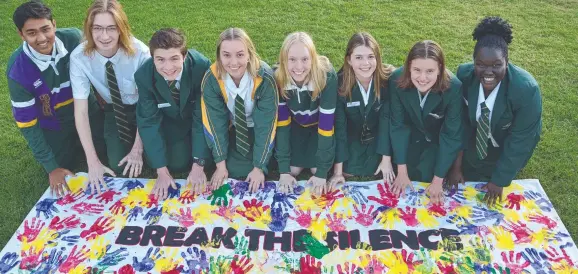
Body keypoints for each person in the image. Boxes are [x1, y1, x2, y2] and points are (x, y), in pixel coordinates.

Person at [7, 1, 103, 197]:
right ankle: (70, 145)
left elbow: (97, 70)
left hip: (86, 110)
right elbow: (27, 124)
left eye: (45, 29)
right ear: (21, 34)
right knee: (61, 165)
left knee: (108, 152)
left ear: (54, 24)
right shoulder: (18, 70)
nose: (41, 38)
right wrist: (51, 167)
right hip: (53, 123)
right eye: (32, 33)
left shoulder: (74, 38)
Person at [447, 16, 542, 205]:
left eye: (497, 65)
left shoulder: (526, 90)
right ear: (473, 62)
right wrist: (456, 167)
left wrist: (500, 180)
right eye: (481, 64)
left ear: (506, 62)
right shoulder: (464, 76)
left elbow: (521, 140)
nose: (488, 72)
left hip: (506, 143)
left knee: (495, 175)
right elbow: (460, 124)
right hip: (477, 143)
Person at [70, 0, 150, 193]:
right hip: (114, 110)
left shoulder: (140, 53)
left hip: (144, 109)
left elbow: (148, 102)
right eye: (97, 28)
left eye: (111, 28)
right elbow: (80, 112)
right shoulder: (79, 58)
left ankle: (146, 146)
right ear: (89, 29)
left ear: (121, 28)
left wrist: (137, 149)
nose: (104, 36)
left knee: (167, 160)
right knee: (118, 166)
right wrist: (93, 162)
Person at [135, 28, 211, 199]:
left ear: (184, 56)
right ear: (152, 58)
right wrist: (161, 170)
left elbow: (203, 116)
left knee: (206, 159)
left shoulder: (201, 67)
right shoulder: (143, 76)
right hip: (169, 122)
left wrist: (199, 164)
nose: (168, 67)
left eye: (174, 59)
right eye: (160, 60)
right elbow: (148, 122)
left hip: (197, 120)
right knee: (177, 163)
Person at [201, 28, 278, 193]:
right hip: (233, 127)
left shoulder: (264, 77)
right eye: (227, 55)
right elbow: (215, 122)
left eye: (240, 55)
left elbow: (266, 126)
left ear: (249, 54)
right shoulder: (211, 78)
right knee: (230, 167)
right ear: (219, 56)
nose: (234, 62)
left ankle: (262, 162)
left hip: (256, 127)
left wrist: (258, 167)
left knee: (261, 164)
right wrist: (220, 165)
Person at [389, 40, 463, 205]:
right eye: (416, 70)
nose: (422, 78)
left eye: (430, 71)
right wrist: (401, 170)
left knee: (427, 176)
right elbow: (398, 125)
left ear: (440, 68)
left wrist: (437, 180)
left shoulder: (454, 87)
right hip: (409, 137)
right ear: (408, 67)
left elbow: (451, 134)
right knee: (398, 176)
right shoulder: (396, 80)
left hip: (435, 140)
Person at [274, 32, 338, 195]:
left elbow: (326, 126)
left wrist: (323, 172)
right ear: (283, 60)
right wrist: (283, 171)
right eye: (292, 59)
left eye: (305, 59)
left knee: (317, 168)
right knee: (293, 170)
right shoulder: (278, 78)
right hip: (296, 126)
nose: (299, 66)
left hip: (318, 127)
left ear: (313, 58)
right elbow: (282, 125)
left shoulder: (326, 77)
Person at [329, 32, 396, 187]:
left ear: (378, 58)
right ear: (349, 60)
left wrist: (386, 159)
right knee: (349, 170)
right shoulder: (339, 84)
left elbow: (387, 120)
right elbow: (340, 127)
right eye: (358, 57)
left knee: (378, 168)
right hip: (352, 137)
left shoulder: (388, 80)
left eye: (371, 57)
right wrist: (338, 172)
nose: (365, 63)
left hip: (379, 137)